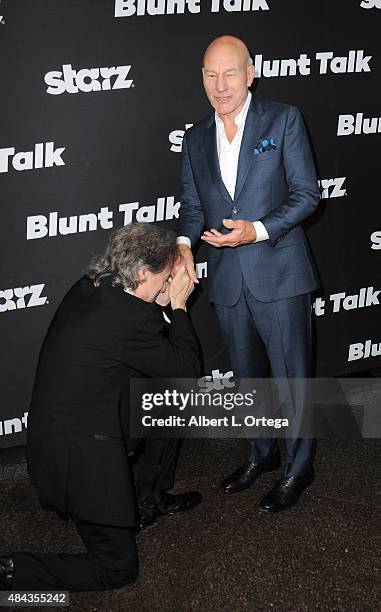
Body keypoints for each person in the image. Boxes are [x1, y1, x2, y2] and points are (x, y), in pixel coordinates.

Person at [0, 223, 201, 592]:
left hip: (66, 427)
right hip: (78, 459)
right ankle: (11, 571)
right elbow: (187, 370)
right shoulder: (128, 320)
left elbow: (140, 340)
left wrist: (157, 300)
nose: (169, 281)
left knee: (171, 404)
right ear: (142, 273)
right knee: (118, 571)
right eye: (164, 276)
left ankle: (149, 499)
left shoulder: (91, 288)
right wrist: (178, 305)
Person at [177, 35, 320, 513]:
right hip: (227, 279)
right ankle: (263, 455)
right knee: (247, 379)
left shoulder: (283, 119)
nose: (221, 85)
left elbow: (307, 195)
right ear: (202, 78)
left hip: (279, 273)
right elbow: (194, 208)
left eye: (231, 73)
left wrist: (256, 231)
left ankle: (301, 467)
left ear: (250, 72)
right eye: (211, 74)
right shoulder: (195, 137)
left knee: (291, 377)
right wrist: (182, 246)